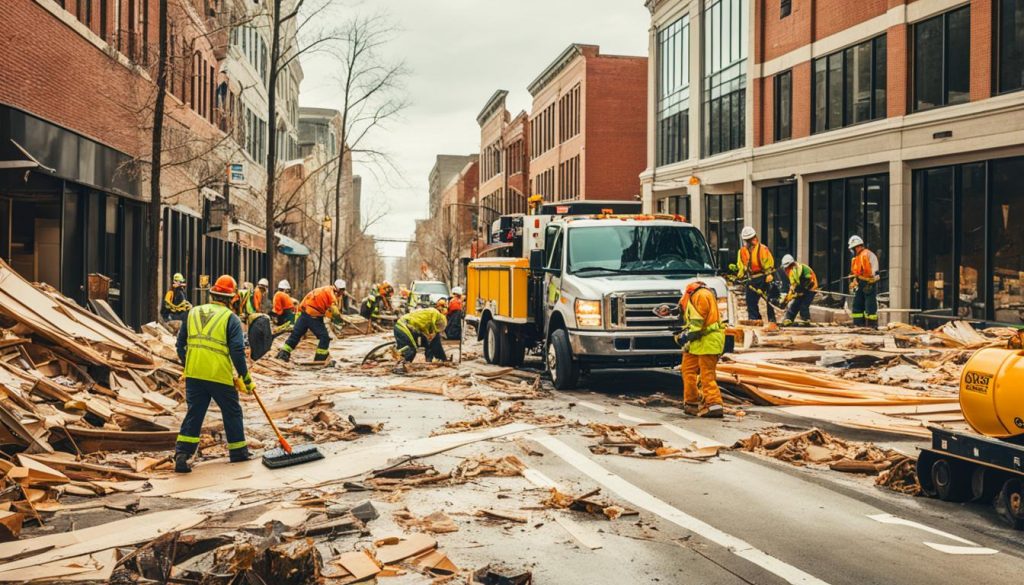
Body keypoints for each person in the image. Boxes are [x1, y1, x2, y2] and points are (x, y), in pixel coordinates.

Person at [174, 275, 253, 473]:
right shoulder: (230, 319)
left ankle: (182, 454)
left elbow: (179, 344)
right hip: (218, 375)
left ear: (212, 294)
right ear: (232, 298)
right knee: (232, 411)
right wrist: (245, 376)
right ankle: (238, 451)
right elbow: (237, 350)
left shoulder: (192, 313)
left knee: (195, 413)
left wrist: (188, 364)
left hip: (194, 374)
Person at [678, 281, 725, 418]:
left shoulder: (700, 296)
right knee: (687, 370)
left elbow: (698, 322)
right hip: (698, 342)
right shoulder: (697, 295)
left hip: (708, 340)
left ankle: (714, 404)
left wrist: (685, 336)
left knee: (706, 374)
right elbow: (686, 311)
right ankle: (691, 402)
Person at [276, 279, 345, 363]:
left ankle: (283, 354)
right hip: (313, 317)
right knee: (324, 337)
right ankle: (320, 358)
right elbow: (335, 312)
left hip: (303, 314)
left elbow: (324, 308)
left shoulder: (324, 290)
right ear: (338, 289)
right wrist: (340, 321)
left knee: (295, 335)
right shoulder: (331, 295)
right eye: (342, 291)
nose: (342, 293)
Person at [735, 226, 776, 323]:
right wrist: (739, 277)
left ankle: (772, 320)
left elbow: (769, 265)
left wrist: (769, 275)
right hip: (752, 279)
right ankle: (755, 320)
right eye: (748, 240)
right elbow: (741, 267)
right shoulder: (742, 252)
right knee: (750, 301)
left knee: (769, 300)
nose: (751, 242)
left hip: (763, 278)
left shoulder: (763, 249)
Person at [393, 306, 448, 373]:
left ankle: (401, 360)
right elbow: (430, 336)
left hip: (403, 326)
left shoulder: (429, 316)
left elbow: (431, 339)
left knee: (409, 348)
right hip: (403, 327)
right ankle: (400, 367)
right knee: (410, 350)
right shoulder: (433, 314)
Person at [848, 235, 880, 328]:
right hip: (860, 283)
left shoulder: (868, 254)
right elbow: (856, 272)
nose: (853, 251)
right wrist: (853, 279)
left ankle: (871, 325)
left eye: (853, 249)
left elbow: (875, 271)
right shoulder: (856, 258)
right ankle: (858, 324)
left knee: (870, 305)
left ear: (857, 246)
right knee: (857, 304)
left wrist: (871, 281)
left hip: (869, 283)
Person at [780, 254, 818, 327]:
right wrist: (788, 298)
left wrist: (802, 290)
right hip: (801, 290)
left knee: (804, 305)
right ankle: (788, 319)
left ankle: (805, 320)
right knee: (794, 305)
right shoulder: (792, 273)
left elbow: (810, 282)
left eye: (787, 268)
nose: (786, 270)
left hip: (811, 289)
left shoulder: (804, 269)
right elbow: (793, 285)